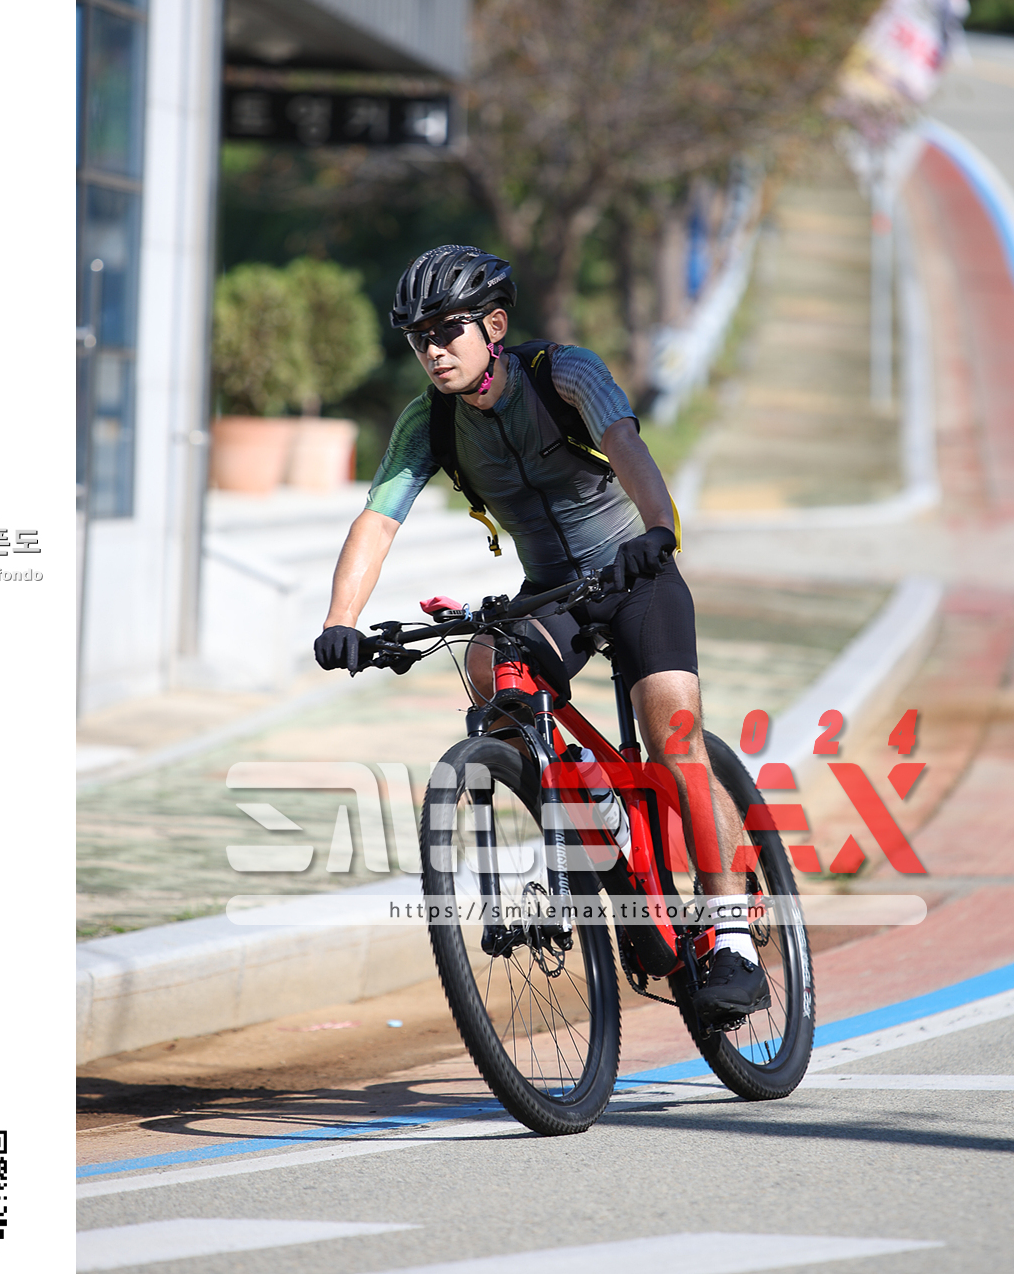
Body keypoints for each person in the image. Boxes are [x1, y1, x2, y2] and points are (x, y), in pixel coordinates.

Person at [312, 244, 767, 1021]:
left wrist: (659, 530)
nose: (432, 350)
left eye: (447, 330)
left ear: (493, 326)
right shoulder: (431, 421)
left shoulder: (565, 374)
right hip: (554, 592)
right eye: (418, 337)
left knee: (673, 738)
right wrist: (340, 623)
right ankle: (592, 803)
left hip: (635, 576)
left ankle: (732, 936)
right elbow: (378, 520)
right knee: (490, 664)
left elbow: (627, 447)